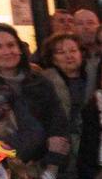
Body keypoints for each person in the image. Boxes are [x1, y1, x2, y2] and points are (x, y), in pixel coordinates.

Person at [0, 24, 70, 168]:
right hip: (2, 164)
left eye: (11, 45)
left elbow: (57, 120)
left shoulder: (39, 81)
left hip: (45, 163)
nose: (7, 51)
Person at [37, 32, 89, 168]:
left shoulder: (94, 77)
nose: (69, 56)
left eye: (73, 50)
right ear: (52, 58)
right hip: (61, 148)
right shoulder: (43, 83)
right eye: (60, 52)